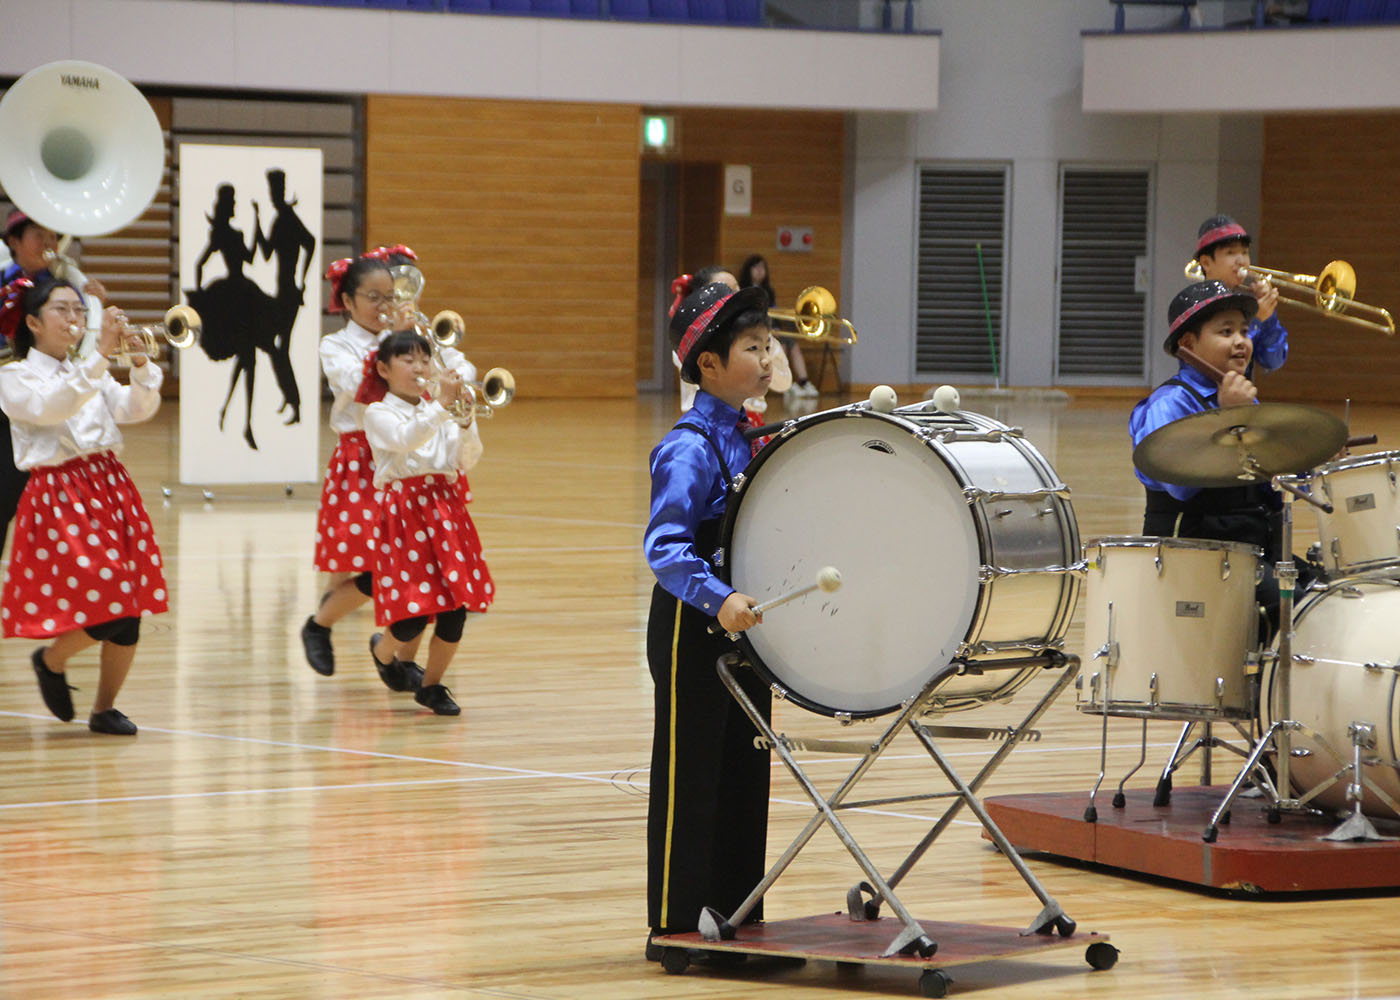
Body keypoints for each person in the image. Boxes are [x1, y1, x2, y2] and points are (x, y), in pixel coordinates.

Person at [643, 281, 773, 950]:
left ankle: (738, 913)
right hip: (692, 627)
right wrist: (716, 597)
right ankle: (674, 920)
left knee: (748, 770)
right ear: (709, 366)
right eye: (752, 347)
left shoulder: (753, 437)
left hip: (746, 624)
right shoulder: (690, 445)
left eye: (769, 343)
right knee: (689, 774)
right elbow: (663, 547)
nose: (768, 358)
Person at [0, 277, 166, 735]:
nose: (74, 319)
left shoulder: (89, 370)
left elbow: (135, 409)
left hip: (110, 487)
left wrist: (138, 363)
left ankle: (104, 708)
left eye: (79, 310)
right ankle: (50, 659)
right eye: (62, 310)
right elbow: (50, 408)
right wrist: (98, 358)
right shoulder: (14, 376)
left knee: (130, 607)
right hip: (59, 495)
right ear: (33, 322)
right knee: (113, 599)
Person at [1129, 279, 1296, 639]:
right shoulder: (1169, 404)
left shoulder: (1239, 398)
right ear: (1188, 344)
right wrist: (1228, 419)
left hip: (1247, 551)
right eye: (1226, 331)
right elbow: (1180, 485)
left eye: (1244, 331)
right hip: (1194, 557)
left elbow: (1262, 480)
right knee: (1292, 605)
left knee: (1322, 591)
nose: (1241, 341)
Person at [361, 328, 492, 717]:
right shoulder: (377, 412)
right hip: (406, 514)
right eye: (407, 360)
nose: (418, 367)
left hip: (446, 510)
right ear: (384, 368)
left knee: (455, 608)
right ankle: (384, 654)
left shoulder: (441, 411)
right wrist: (441, 405)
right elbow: (405, 438)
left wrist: (466, 421)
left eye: (424, 359)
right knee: (413, 613)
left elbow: (467, 459)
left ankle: (431, 687)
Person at [0, 211, 110, 554]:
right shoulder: (3, 281)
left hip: (51, 396)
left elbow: (82, 345)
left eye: (53, 237)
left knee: (52, 502)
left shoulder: (68, 289)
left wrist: (94, 304)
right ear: (14, 242)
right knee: (3, 496)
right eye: (38, 236)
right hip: (7, 393)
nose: (49, 244)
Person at [668, 265, 790, 417]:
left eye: (736, 290)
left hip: (748, 423)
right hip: (711, 420)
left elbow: (784, 383)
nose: (734, 298)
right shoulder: (695, 346)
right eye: (724, 292)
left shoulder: (758, 340)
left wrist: (761, 339)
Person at [1192, 214, 1288, 376]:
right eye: (1231, 253)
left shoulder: (1245, 304)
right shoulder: (1196, 304)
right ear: (1206, 262)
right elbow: (1222, 362)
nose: (1242, 260)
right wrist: (1257, 320)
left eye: (1244, 252)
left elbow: (1273, 361)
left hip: (1241, 398)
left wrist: (1269, 318)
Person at [739, 253, 816, 398]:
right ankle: (781, 384)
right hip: (755, 331)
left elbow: (773, 312)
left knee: (793, 344)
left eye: (762, 267)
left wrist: (776, 328)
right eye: (756, 267)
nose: (760, 271)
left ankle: (803, 382)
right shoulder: (744, 290)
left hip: (771, 328)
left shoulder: (769, 290)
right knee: (782, 345)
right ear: (748, 269)